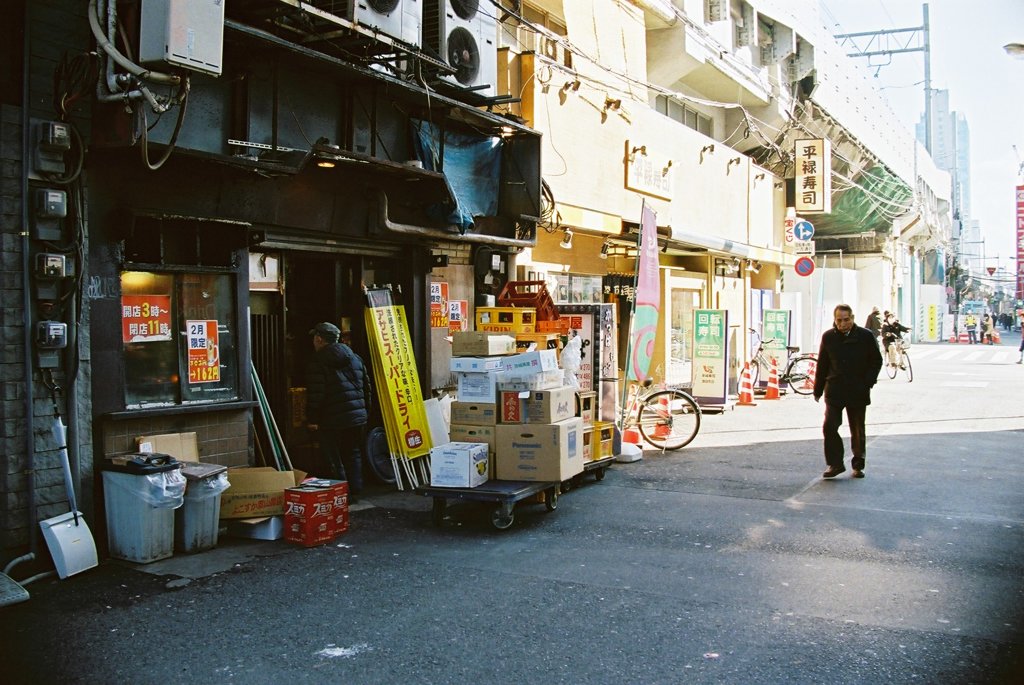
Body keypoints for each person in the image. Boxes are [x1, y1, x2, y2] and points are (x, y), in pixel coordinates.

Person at [813, 304, 883, 479]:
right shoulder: (828, 337)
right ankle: (835, 464)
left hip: (857, 389)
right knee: (829, 426)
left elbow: (876, 360)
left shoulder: (865, 336)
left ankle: (858, 464)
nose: (842, 324)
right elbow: (822, 364)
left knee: (857, 428)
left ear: (852, 318)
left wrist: (868, 381)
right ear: (834, 320)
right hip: (834, 388)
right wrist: (818, 389)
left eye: (846, 320)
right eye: (839, 320)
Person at [306, 321, 372, 500]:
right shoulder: (355, 358)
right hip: (358, 417)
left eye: (314, 338)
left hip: (332, 419)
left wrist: (312, 419)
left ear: (319, 339)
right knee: (353, 452)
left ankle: (342, 495)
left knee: (334, 457)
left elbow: (316, 395)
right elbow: (367, 388)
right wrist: (365, 412)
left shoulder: (318, 362)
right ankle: (356, 489)